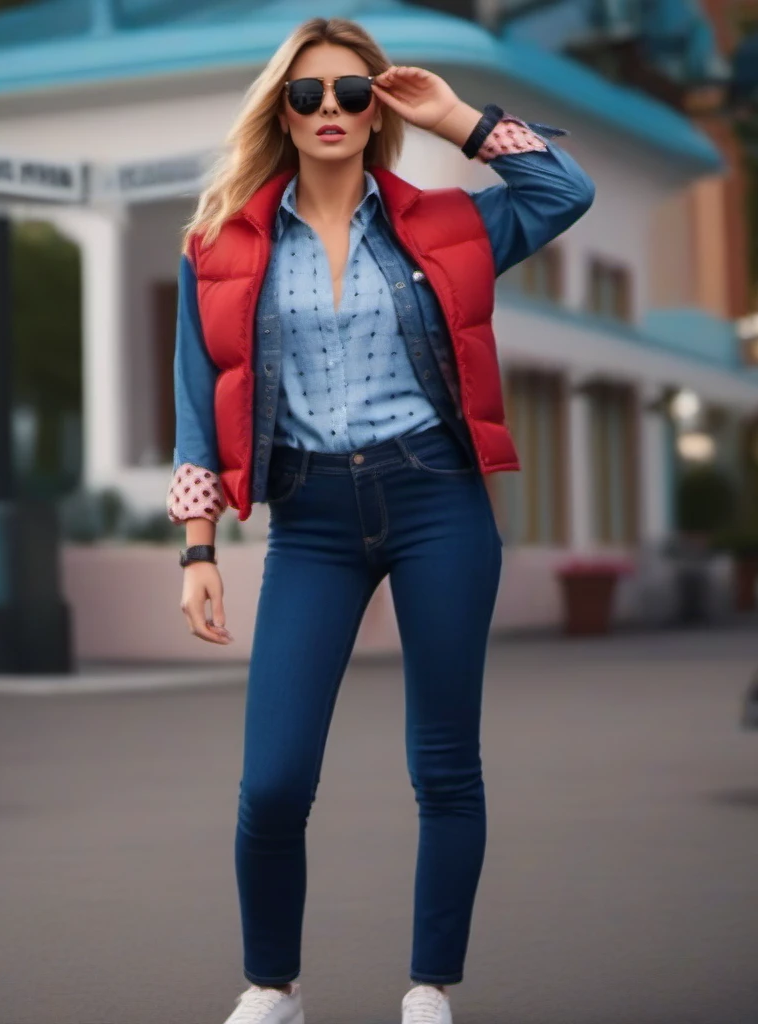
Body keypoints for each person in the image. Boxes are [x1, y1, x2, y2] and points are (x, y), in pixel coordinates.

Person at [166, 16, 594, 1024]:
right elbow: (193, 403)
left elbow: (562, 192)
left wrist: (454, 117)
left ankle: (427, 988)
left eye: (352, 93)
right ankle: (273, 986)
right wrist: (197, 546)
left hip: (436, 497)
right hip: (308, 515)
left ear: (376, 108)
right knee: (271, 781)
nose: (330, 110)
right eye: (308, 93)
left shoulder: (447, 224)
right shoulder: (217, 243)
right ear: (281, 107)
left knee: (443, 765)